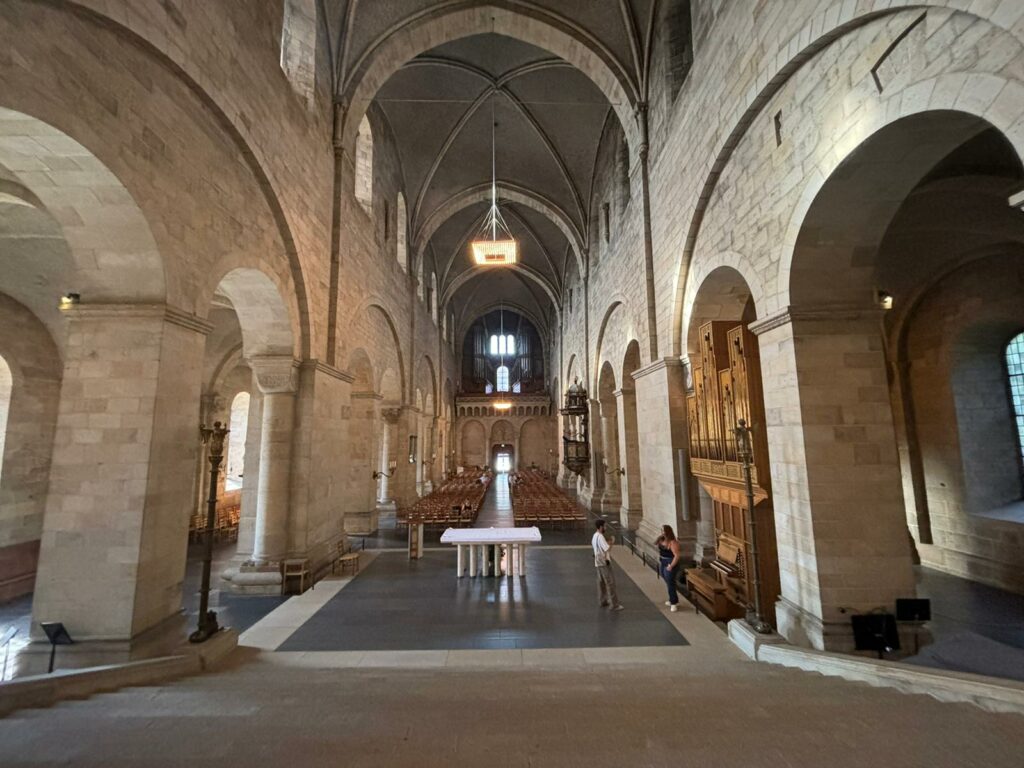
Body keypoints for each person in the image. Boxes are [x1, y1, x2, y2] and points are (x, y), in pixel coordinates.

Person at [592, 519, 623, 611]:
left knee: (601, 582)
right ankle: (614, 605)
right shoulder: (600, 537)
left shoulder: (594, 536)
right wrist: (612, 541)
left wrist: (607, 542)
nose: (605, 528)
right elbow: (607, 549)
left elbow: (598, 547)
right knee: (610, 583)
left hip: (597, 562)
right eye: (605, 526)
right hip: (604, 562)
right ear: (601, 527)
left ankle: (603, 600)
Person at [657, 525, 681, 612]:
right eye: (661, 530)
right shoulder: (661, 539)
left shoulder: (673, 542)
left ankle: (673, 603)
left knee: (670, 582)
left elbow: (677, 556)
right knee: (665, 578)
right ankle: (673, 598)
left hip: (670, 562)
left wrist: (671, 566)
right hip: (663, 561)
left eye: (663, 530)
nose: (662, 532)